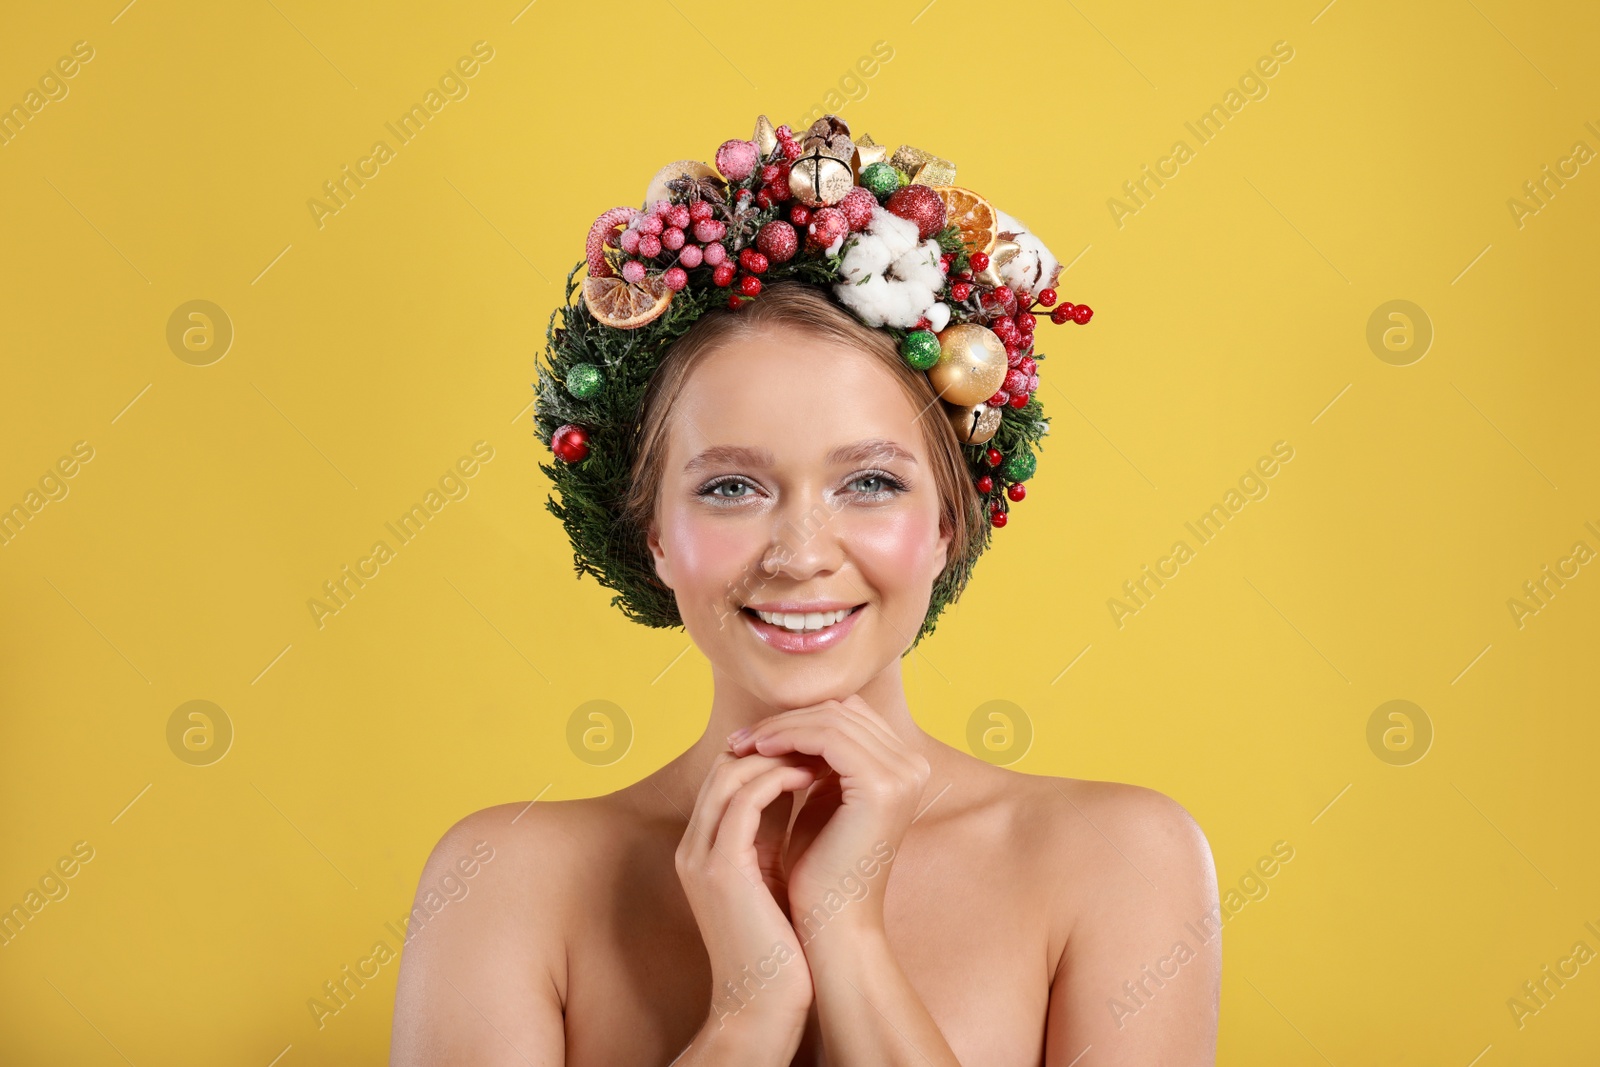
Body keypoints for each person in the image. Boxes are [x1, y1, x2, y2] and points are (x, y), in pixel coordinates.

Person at [390, 114, 1220, 1066]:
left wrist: (847, 932)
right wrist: (750, 1014)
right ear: (654, 533)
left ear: (948, 522)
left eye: (869, 482)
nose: (799, 553)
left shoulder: (1120, 862)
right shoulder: (502, 882)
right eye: (731, 487)